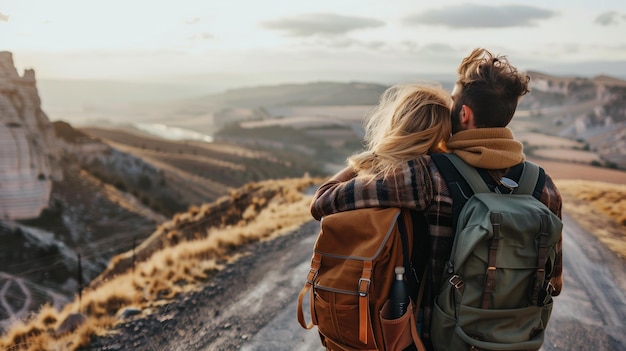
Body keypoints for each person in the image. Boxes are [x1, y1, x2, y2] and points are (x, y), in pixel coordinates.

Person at [310, 48, 563, 350]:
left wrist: (372, 156)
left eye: (454, 103)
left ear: (465, 115)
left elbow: (324, 201)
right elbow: (554, 282)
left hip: (439, 339)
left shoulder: (425, 175)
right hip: (516, 340)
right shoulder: (543, 185)